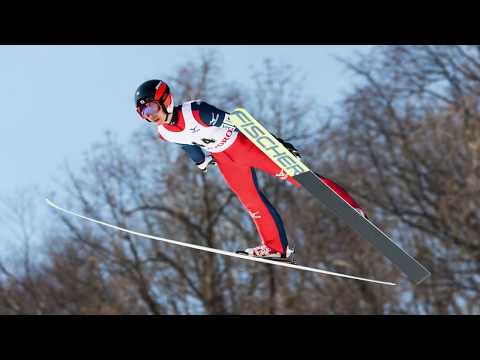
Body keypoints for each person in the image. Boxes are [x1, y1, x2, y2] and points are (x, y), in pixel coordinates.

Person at [134, 79, 368, 262]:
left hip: (245, 146)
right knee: (251, 202)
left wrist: (276, 143)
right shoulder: (164, 132)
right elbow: (185, 143)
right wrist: (201, 162)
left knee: (299, 178)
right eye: (144, 113)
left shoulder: (197, 111)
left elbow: (239, 123)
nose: (151, 115)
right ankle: (276, 248)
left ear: (165, 99)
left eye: (152, 107)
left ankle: (349, 207)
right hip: (225, 160)